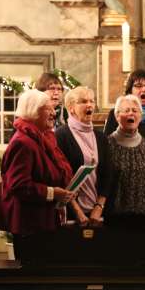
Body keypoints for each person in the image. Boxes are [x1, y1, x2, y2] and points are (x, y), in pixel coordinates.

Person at [0, 89, 75, 264]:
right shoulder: (23, 142)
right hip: (30, 224)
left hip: (43, 220)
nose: (53, 113)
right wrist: (52, 193)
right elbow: (18, 185)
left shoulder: (43, 138)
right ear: (33, 111)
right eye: (48, 109)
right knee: (33, 276)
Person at [104, 69, 145, 260]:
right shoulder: (114, 116)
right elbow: (108, 156)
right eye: (139, 85)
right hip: (118, 200)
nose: (144, 89)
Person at [105, 95, 145, 247]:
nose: (131, 114)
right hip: (114, 218)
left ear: (141, 116)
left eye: (135, 111)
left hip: (144, 218)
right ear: (117, 116)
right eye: (126, 110)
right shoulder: (106, 145)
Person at [55, 86, 113, 226]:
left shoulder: (101, 137)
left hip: (97, 213)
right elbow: (60, 178)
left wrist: (99, 207)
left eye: (92, 101)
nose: (89, 105)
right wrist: (77, 212)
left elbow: (108, 175)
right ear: (71, 107)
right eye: (83, 101)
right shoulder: (60, 136)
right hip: (71, 213)